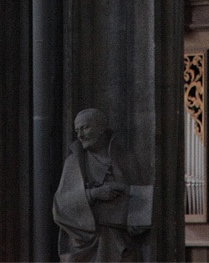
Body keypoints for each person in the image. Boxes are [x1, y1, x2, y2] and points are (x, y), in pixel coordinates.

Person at [53, 108, 151, 262]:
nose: (80, 135)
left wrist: (127, 195)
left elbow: (141, 199)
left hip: (120, 241)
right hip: (87, 243)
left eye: (85, 128)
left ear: (101, 128)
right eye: (77, 130)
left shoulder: (126, 159)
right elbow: (60, 205)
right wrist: (94, 194)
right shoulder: (74, 162)